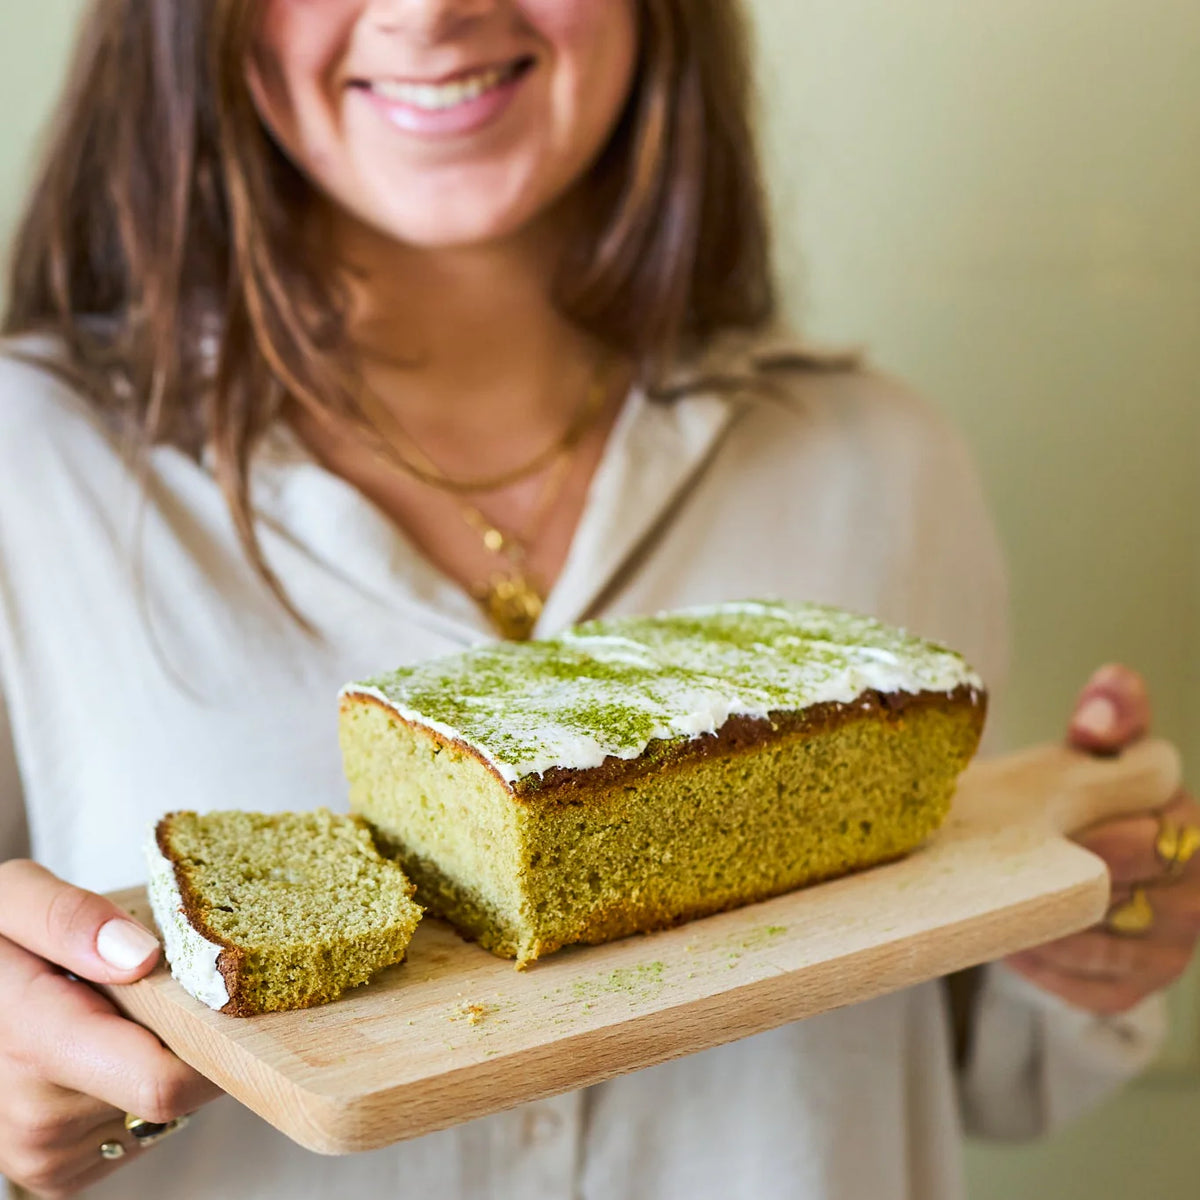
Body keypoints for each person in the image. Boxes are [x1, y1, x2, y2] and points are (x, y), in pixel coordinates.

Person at [0, 1, 1197, 1197]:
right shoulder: (29, 462)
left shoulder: (876, 463)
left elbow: (978, 1068)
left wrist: (1105, 945)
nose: (431, 13)